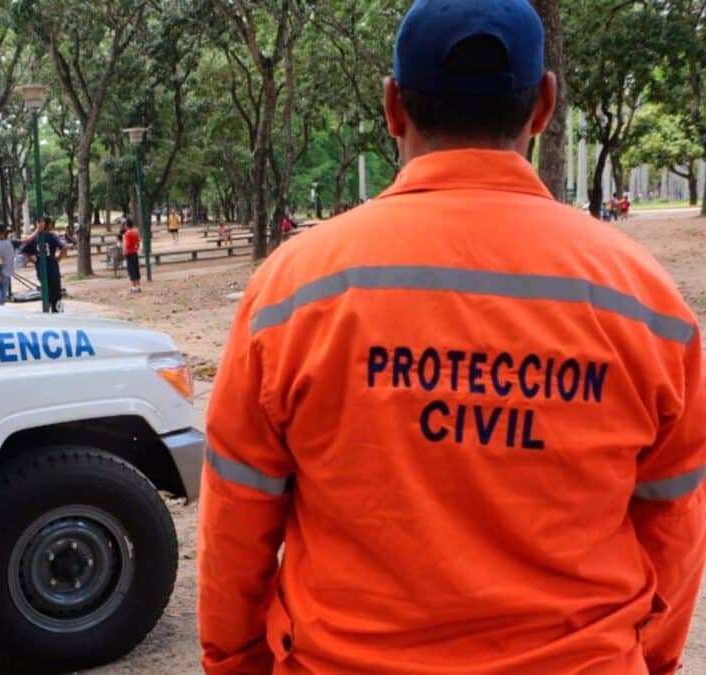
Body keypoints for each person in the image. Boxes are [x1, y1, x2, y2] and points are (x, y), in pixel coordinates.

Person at [199, 2, 706, 674]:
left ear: (392, 107)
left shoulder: (292, 291)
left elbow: (238, 514)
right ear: (545, 105)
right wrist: (649, 657)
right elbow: (673, 523)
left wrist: (234, 661)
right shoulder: (646, 302)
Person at [21, 216, 66, 312]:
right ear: (49, 225)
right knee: (56, 293)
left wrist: (33, 260)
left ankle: (47, 307)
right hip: (52, 268)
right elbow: (64, 248)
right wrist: (58, 258)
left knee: (46, 291)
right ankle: (57, 311)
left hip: (40, 268)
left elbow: (24, 251)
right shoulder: (52, 236)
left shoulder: (35, 238)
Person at [123, 217, 142, 293]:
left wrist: (124, 251)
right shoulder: (135, 233)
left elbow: (127, 244)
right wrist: (136, 248)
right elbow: (138, 243)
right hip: (134, 253)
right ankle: (138, 286)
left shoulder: (127, 234)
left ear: (126, 225)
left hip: (129, 253)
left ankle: (134, 286)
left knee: (131, 270)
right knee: (136, 269)